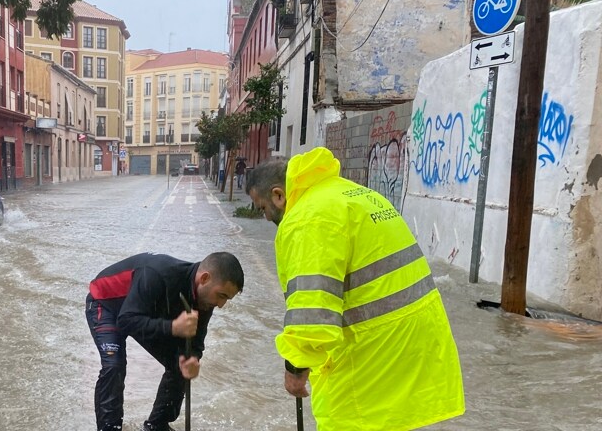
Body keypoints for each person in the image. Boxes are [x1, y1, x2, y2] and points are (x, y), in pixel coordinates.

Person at [245, 147, 464, 430]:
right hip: (415, 344)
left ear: (278, 195)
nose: (264, 217)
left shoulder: (307, 218)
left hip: (372, 352)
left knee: (346, 421)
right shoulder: (354, 194)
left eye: (262, 207)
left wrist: (295, 369)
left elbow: (313, 315)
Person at [86, 252, 245, 431]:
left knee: (181, 364)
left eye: (226, 299)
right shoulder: (158, 273)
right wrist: (172, 327)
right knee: (114, 365)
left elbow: (196, 342)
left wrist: (192, 359)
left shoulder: (205, 299)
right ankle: (109, 427)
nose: (221, 304)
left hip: (142, 312)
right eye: (221, 295)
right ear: (204, 278)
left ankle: (157, 425)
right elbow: (125, 321)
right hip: (106, 305)